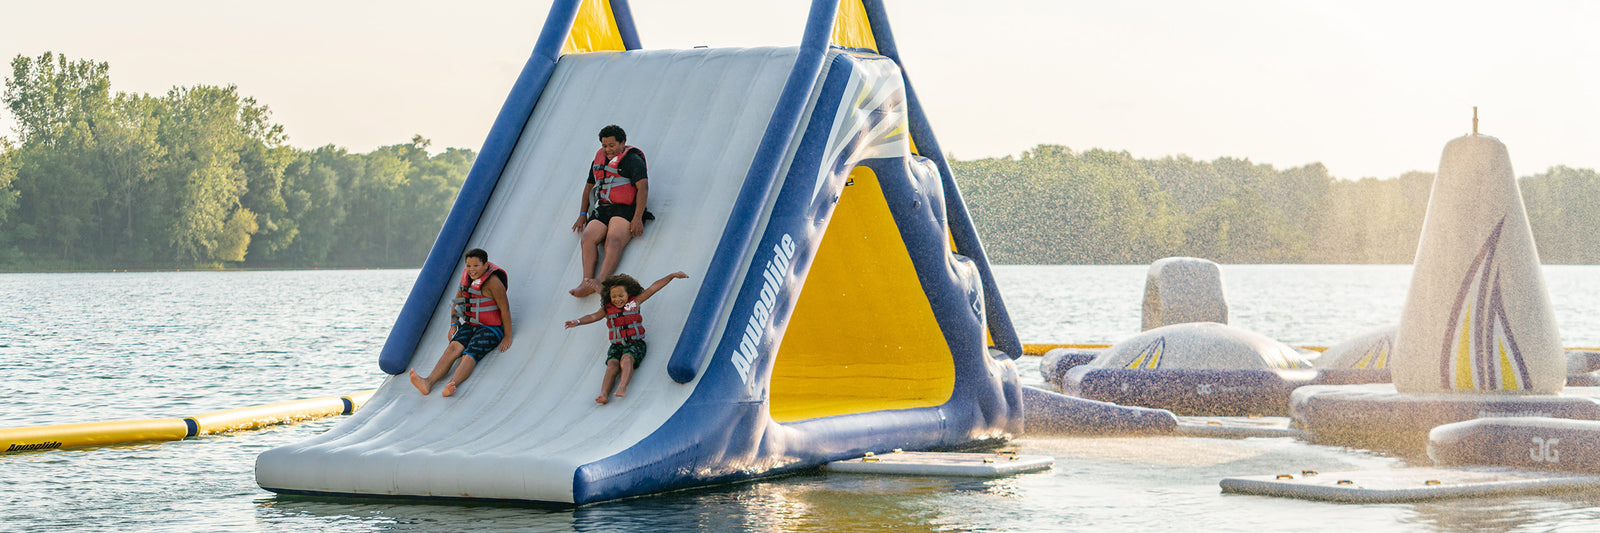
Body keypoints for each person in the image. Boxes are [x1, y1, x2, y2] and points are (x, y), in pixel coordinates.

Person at [564, 271, 688, 404]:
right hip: (617, 345)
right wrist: (577, 321)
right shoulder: (607, 308)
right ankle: (604, 394)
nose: (618, 299)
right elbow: (593, 316)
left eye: (621, 296)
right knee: (612, 365)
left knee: (626, 359)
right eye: (614, 297)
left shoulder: (634, 303)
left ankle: (622, 386)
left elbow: (653, 288)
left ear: (628, 294)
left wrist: (671, 276)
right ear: (609, 297)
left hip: (635, 343)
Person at [410, 248, 513, 397]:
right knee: (453, 347)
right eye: (468, 266)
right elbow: (458, 302)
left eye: (476, 266)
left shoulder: (494, 283)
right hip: (471, 324)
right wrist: (454, 324)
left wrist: (507, 336)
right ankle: (428, 382)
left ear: (485, 265)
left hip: (491, 328)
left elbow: (505, 309)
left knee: (469, 353)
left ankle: (452, 384)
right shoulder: (467, 277)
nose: (472, 270)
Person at [570, 124, 650, 297]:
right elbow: (588, 188)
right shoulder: (598, 160)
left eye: (612, 145)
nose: (607, 150)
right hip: (604, 208)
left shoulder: (632, 160)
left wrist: (637, 218)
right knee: (588, 237)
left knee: (613, 239)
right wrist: (582, 214)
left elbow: (643, 188)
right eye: (604, 146)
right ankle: (587, 281)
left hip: (626, 209)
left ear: (622, 143)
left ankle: (601, 280)